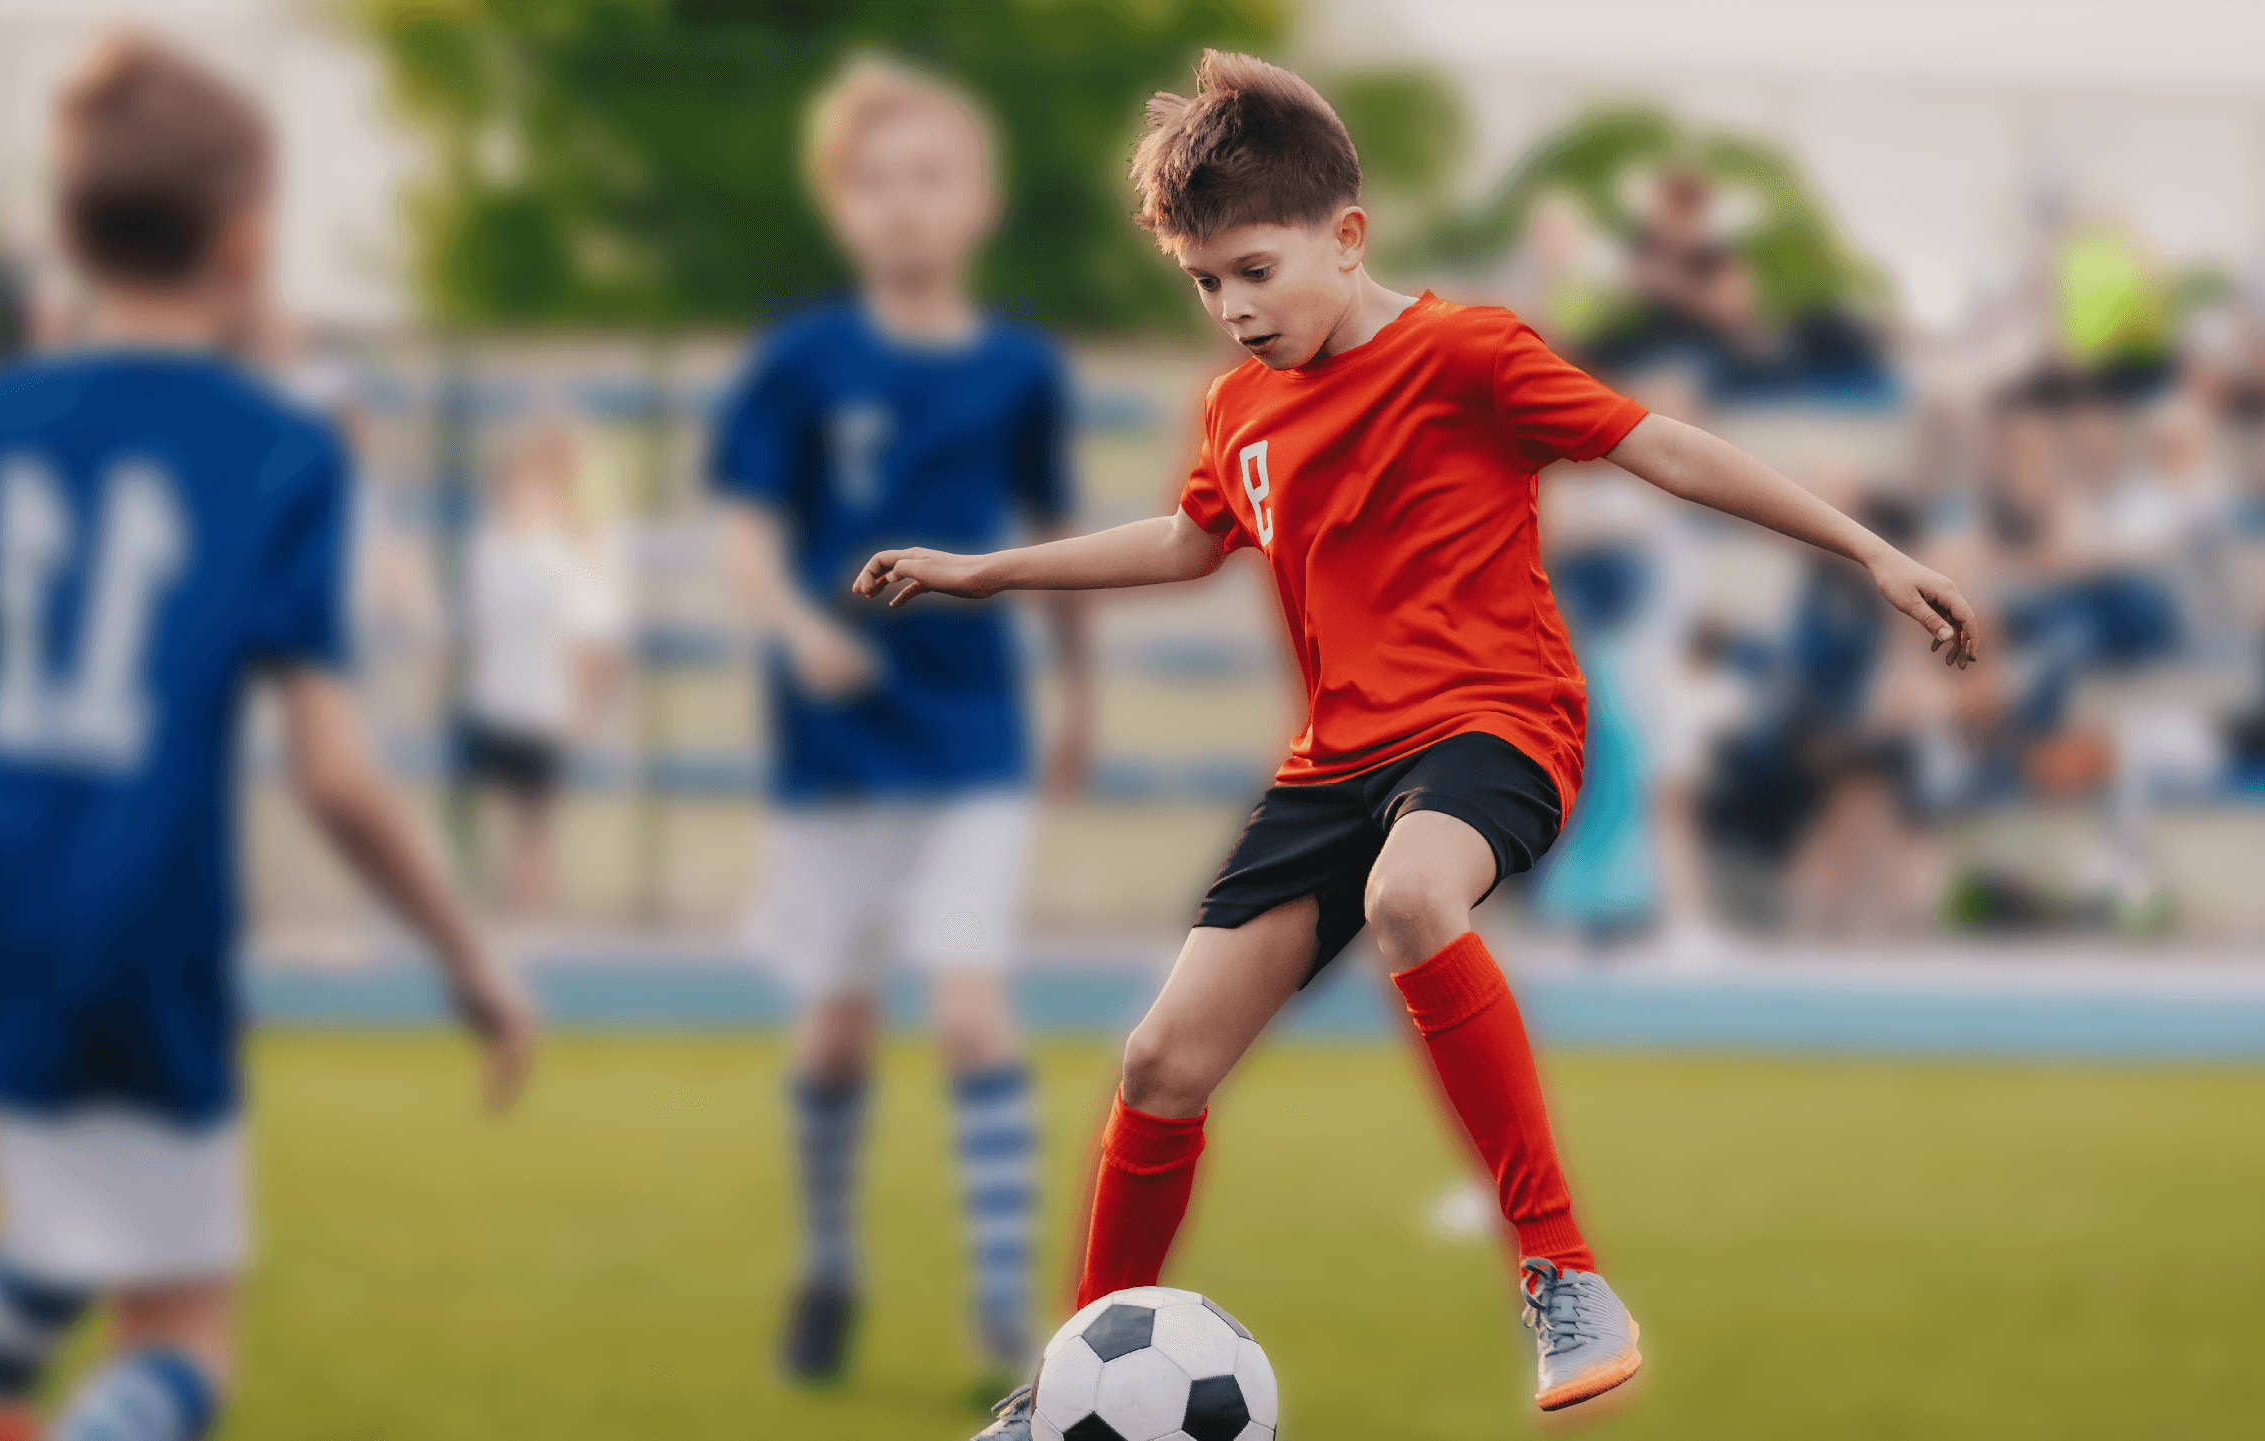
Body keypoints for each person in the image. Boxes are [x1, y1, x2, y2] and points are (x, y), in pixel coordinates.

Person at [849, 53, 1981, 1431]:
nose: (1233, 309)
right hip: (1335, 765)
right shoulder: (1237, 409)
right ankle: (1067, 1383)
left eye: (1256, 271)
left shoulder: (1468, 354)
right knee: (1159, 1065)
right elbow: (1187, 540)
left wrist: (1868, 552)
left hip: (1495, 724)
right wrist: (987, 572)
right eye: (1206, 285)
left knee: (1409, 897)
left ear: (1348, 236)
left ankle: (1565, 1273)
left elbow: (1665, 449)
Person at [0, 37, 534, 1441]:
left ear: (66, 224)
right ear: (245, 237)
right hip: (146, 924)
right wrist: (470, 957)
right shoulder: (282, 449)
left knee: (57, 1223)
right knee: (180, 1333)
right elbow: (335, 773)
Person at [709, 54, 1095, 1393]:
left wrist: (1080, 694)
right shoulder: (800, 361)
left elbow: (1058, 542)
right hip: (829, 751)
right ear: (843, 205)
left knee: (974, 1009)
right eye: (876, 182)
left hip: (971, 736)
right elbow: (745, 536)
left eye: (929, 177)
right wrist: (795, 629)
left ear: (977, 201)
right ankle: (829, 1265)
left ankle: (1004, 1322)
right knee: (833, 1035)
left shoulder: (1018, 370)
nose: (904, 204)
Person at [454, 422, 628, 917]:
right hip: (495, 702)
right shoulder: (490, 546)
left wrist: (586, 706)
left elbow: (589, 636)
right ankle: (504, 909)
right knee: (493, 821)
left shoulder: (559, 556)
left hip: (540, 708)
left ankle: (525, 917)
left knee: (531, 827)